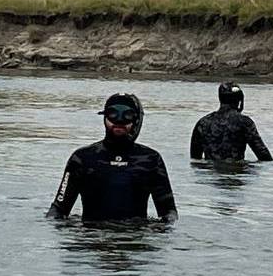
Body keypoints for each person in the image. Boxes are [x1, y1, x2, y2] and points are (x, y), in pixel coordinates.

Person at [47, 93, 177, 223]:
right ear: (105, 117)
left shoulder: (151, 159)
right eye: (113, 114)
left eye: (127, 115)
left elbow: (169, 213)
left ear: (135, 120)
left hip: (134, 237)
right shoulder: (82, 158)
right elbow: (58, 210)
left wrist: (159, 233)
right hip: (91, 238)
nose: (119, 120)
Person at [190, 82, 273, 162]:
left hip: (211, 174)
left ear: (220, 98)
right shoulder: (244, 122)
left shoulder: (203, 122)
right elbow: (264, 156)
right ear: (240, 100)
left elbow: (195, 159)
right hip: (236, 173)